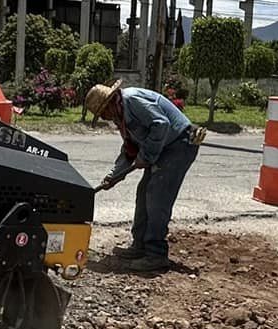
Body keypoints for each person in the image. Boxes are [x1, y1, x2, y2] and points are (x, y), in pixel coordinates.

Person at [86, 80, 203, 273]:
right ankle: (140, 245)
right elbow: (129, 149)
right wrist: (113, 176)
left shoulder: (132, 101)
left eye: (103, 113)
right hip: (163, 147)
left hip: (179, 144)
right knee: (143, 193)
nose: (105, 118)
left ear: (109, 103)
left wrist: (146, 156)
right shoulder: (121, 115)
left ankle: (156, 254)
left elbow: (161, 125)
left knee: (157, 196)